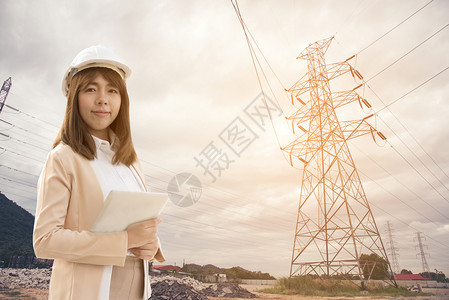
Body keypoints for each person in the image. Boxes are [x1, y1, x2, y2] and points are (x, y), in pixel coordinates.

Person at [33, 45, 164, 300]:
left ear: (122, 100)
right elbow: (45, 239)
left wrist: (151, 244)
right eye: (91, 89)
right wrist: (125, 240)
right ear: (74, 97)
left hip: (136, 288)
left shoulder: (131, 161)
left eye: (112, 90)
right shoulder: (63, 158)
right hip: (87, 291)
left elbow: (136, 225)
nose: (102, 99)